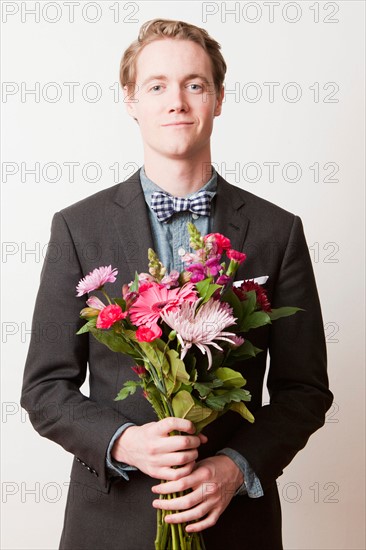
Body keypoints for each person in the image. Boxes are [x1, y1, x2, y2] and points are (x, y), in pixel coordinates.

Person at [20, 18, 333, 550]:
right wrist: (125, 442)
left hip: (236, 528)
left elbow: (304, 390)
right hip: (109, 525)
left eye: (195, 84)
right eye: (157, 85)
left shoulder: (279, 231)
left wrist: (236, 468)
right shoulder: (77, 228)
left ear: (218, 98)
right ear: (131, 101)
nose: (177, 102)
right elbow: (44, 387)